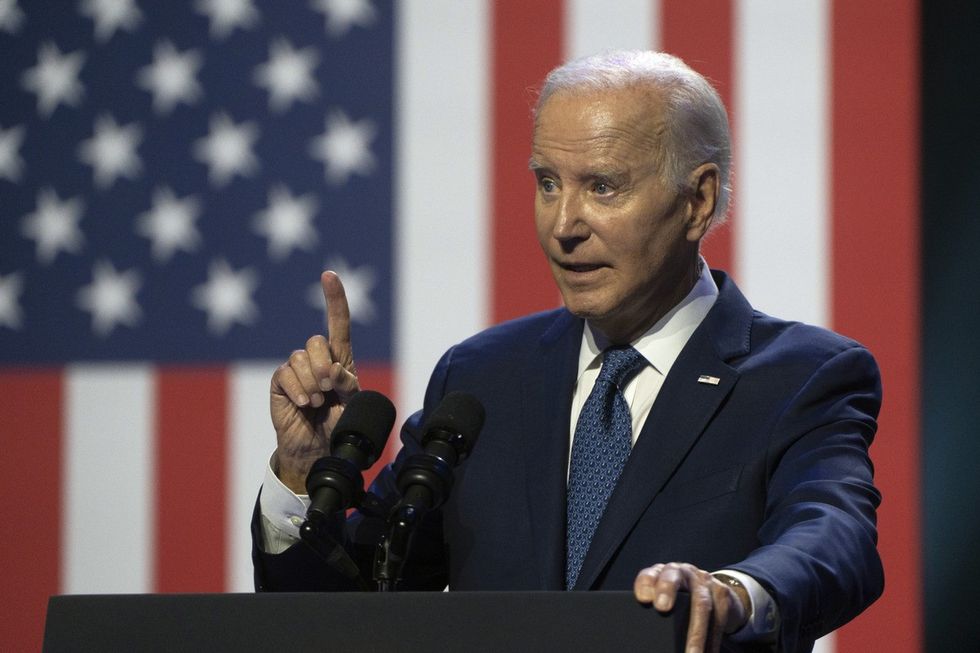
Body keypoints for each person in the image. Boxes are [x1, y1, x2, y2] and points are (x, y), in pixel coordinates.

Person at [253, 50, 883, 653]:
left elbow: (834, 535)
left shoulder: (801, 376)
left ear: (698, 201)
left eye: (603, 187)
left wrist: (735, 593)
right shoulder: (481, 379)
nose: (564, 225)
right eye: (548, 183)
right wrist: (304, 473)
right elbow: (347, 608)